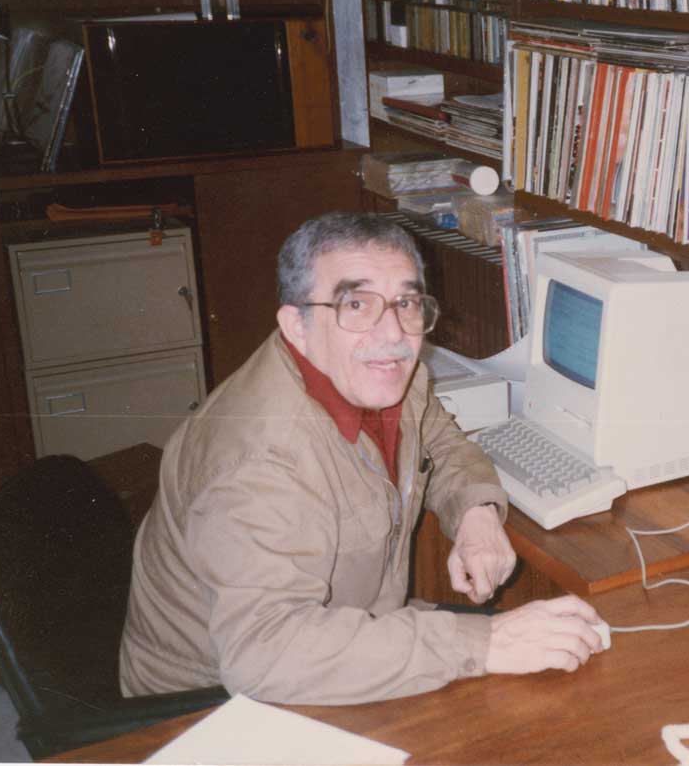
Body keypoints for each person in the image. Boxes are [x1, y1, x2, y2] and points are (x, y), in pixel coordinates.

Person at [120, 212, 605, 704]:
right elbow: (264, 654)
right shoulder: (257, 458)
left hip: (352, 632)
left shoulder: (389, 376)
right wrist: (483, 644)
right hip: (212, 703)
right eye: (356, 303)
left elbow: (439, 441)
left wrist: (475, 512)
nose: (392, 333)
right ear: (297, 325)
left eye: (406, 303)